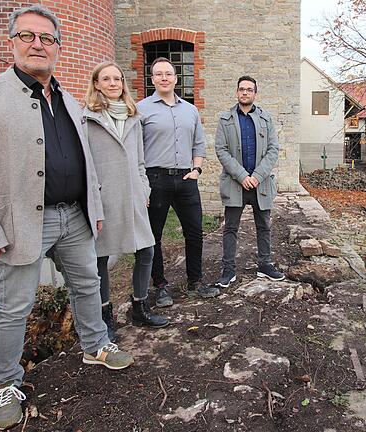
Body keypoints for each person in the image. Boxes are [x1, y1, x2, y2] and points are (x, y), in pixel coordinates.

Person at [0, 6, 133, 430]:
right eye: (28, 36)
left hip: (75, 216)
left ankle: (96, 344)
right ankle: (5, 384)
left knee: (88, 284)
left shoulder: (68, 98)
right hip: (22, 223)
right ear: (11, 41)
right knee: (14, 305)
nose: (38, 44)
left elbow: (86, 161)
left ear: (58, 48)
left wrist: (95, 209)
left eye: (47, 38)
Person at [83, 61, 169, 341]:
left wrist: (144, 189)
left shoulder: (134, 117)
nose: (112, 84)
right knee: (101, 257)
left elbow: (141, 160)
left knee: (146, 250)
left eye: (117, 79)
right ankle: (106, 315)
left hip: (133, 195)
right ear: (96, 84)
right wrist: (93, 193)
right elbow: (85, 164)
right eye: (106, 79)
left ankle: (139, 307)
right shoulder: (87, 118)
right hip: (104, 197)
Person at [137, 57, 220, 307]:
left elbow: (198, 143)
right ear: (152, 79)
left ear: (175, 78)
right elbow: (136, 149)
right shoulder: (141, 109)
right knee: (155, 236)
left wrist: (196, 169)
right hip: (155, 179)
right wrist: (142, 185)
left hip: (186, 178)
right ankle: (160, 285)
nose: (164, 78)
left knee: (194, 232)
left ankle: (196, 281)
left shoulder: (190, 110)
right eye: (159, 74)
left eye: (168, 74)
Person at [214, 76, 284, 288]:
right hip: (236, 183)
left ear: (255, 93)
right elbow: (221, 150)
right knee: (230, 228)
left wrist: (256, 176)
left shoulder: (266, 119)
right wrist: (242, 176)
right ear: (237, 92)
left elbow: (273, 150)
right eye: (242, 89)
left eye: (249, 90)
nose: (245, 93)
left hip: (260, 183)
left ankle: (264, 264)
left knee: (264, 225)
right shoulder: (225, 119)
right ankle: (228, 270)